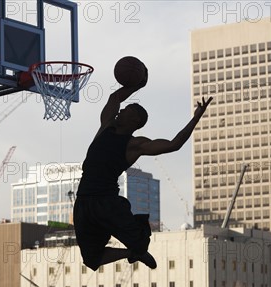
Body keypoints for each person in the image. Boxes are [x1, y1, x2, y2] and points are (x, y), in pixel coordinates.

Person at [74, 67, 213, 271]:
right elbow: (114, 98)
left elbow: (174, 144)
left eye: (127, 110)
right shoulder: (106, 126)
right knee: (91, 259)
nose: (121, 111)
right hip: (83, 199)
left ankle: (138, 243)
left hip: (106, 201)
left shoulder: (135, 145)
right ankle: (131, 254)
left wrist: (196, 118)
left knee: (139, 242)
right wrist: (137, 84)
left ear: (135, 121)